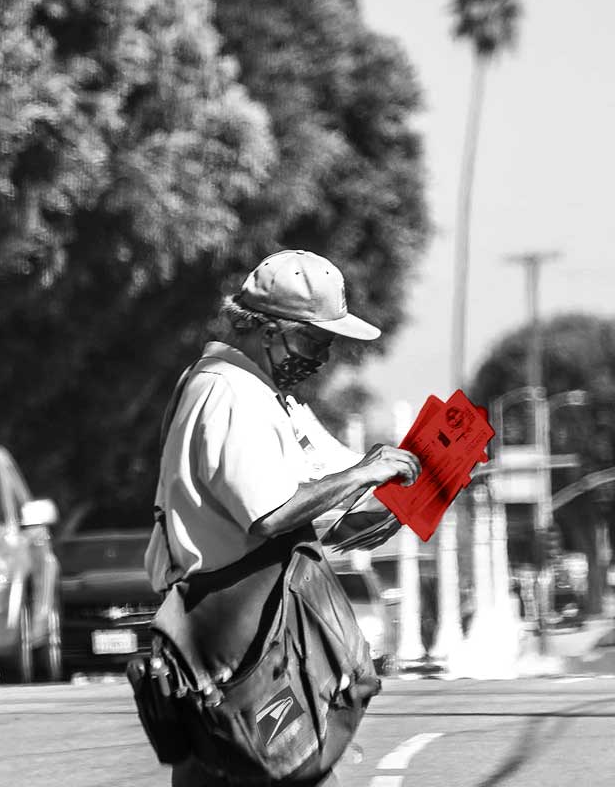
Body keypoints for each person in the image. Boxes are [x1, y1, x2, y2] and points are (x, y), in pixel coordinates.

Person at [144, 249, 421, 786]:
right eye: (314, 341)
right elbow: (271, 516)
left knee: (250, 770)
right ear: (268, 329)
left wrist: (406, 490)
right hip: (237, 638)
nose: (321, 358)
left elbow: (328, 500)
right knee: (295, 772)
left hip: (242, 635)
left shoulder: (266, 395)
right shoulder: (229, 394)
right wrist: (364, 474)